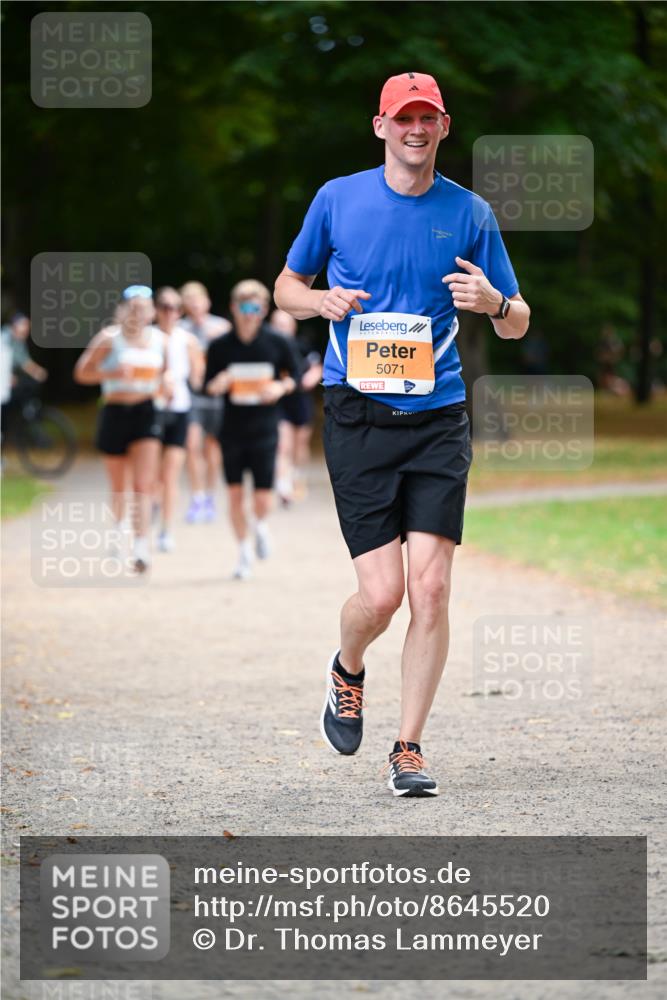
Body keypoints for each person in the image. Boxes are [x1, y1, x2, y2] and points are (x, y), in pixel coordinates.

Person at [275, 72, 530, 797]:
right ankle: (347, 666)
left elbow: (519, 318)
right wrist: (316, 299)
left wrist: (494, 301)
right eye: (403, 118)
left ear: (443, 127)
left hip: (438, 416)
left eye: (428, 118)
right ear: (380, 126)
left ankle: (408, 747)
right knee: (381, 596)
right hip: (356, 413)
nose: (416, 129)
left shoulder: (470, 212)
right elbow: (285, 287)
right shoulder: (338, 198)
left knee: (433, 587)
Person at [204, 280, 301, 580]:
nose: (249, 314)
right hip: (231, 430)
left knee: (262, 497)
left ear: (263, 310)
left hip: (265, 428)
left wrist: (279, 386)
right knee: (234, 495)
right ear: (234, 309)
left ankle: (260, 525)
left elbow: (295, 376)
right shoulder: (220, 346)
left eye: (255, 308)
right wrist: (217, 384)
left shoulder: (277, 342)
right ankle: (243, 551)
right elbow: (205, 384)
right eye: (244, 307)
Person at [74, 286, 170, 572]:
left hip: (146, 412)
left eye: (145, 308)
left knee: (143, 484)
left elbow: (165, 376)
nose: (139, 313)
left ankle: (141, 548)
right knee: (120, 486)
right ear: (124, 310)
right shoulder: (109, 338)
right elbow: (82, 373)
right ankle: (118, 534)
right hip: (115, 410)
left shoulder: (160, 341)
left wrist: (167, 388)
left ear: (153, 312)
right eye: (134, 307)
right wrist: (111, 372)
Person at [153, 286, 205, 552]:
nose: (169, 312)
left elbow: (197, 378)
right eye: (164, 306)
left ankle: (166, 529)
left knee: (171, 473)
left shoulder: (187, 340)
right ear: (156, 310)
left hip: (180, 410)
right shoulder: (147, 337)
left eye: (174, 307)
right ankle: (152, 508)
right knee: (153, 475)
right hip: (151, 409)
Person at [179, 281, 231, 523]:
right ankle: (197, 497)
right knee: (191, 446)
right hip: (191, 397)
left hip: (217, 399)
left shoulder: (221, 327)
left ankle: (209, 496)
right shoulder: (180, 329)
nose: (195, 305)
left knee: (212, 450)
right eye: (189, 301)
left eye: (198, 300)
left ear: (207, 302)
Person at [270, 309, 323, 505]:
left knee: (300, 445)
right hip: (280, 402)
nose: (281, 329)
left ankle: (297, 476)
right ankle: (283, 485)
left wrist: (312, 377)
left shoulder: (303, 346)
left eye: (284, 325)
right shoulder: (269, 348)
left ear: (293, 326)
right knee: (283, 445)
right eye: (277, 325)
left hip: (301, 401)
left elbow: (317, 366)